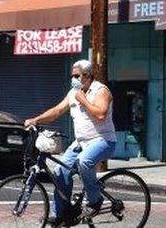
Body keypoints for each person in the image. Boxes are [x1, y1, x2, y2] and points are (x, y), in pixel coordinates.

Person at [24, 60, 116, 224]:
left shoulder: (101, 91)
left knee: (84, 161)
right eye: (71, 76)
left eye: (76, 76)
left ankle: (95, 201)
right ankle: (61, 213)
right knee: (60, 170)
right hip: (81, 142)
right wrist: (35, 120)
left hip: (103, 140)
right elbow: (57, 111)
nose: (73, 79)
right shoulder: (74, 92)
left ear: (87, 76)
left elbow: (101, 114)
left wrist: (84, 100)